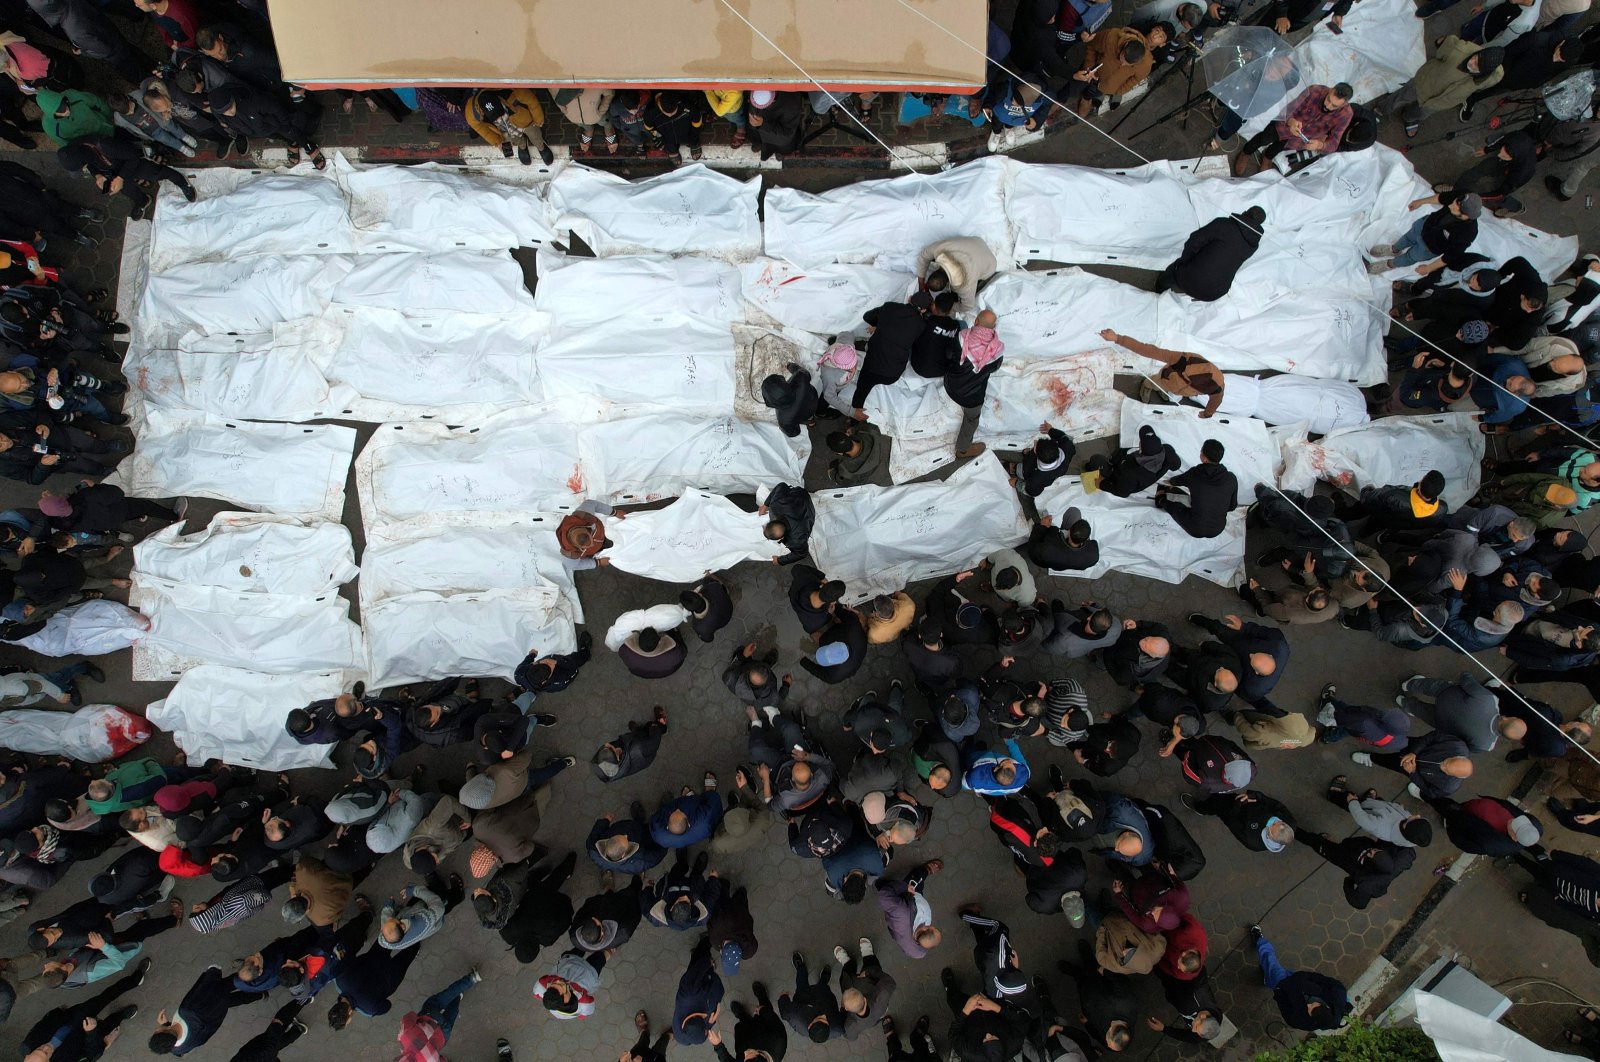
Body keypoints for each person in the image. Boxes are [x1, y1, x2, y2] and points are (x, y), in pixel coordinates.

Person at [148, 965, 269, 1054]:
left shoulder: (179, 1049)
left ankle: (259, 995)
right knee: (234, 981)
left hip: (216, 1014)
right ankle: (261, 975)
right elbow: (201, 989)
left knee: (233, 1000)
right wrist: (213, 971)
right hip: (212, 996)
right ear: (162, 1031)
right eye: (156, 1031)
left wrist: (166, 1024)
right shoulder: (187, 1011)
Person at [1249, 925, 1351, 1031]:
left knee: (1270, 961)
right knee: (1271, 970)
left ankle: (1259, 940)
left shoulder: (1301, 1021)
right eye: (1313, 1005)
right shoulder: (1338, 997)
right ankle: (1268, 978)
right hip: (1300, 980)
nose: (1308, 1005)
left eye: (1309, 1009)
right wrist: (1305, 977)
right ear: (1327, 1007)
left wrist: (1279, 991)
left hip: (1284, 985)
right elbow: (1329, 982)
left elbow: (1285, 1009)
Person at [1101, 330, 1225, 416]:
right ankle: (1146, 385)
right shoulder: (1182, 360)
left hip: (1178, 388)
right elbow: (1149, 350)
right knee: (1155, 382)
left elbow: (1216, 400)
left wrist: (1207, 413)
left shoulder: (1216, 387)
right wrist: (1118, 338)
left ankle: (1166, 391)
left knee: (1170, 390)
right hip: (1167, 378)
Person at [1237, 83, 1354, 172]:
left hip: (1300, 138)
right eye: (1328, 99)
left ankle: (1267, 157)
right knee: (1263, 139)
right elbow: (1289, 108)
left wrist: (1319, 145)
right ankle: (1246, 152)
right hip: (1284, 126)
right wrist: (1291, 121)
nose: (1327, 106)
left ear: (1344, 104)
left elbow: (1334, 142)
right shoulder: (1314, 91)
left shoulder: (1346, 115)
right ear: (1331, 89)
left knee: (1278, 147)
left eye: (1334, 106)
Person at [1157, 207, 1267, 302]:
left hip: (1192, 280)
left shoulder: (1223, 225)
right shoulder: (1252, 245)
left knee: (1174, 269)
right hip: (1217, 292)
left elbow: (1194, 241)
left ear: (1245, 212)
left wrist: (1184, 262)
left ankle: (1158, 287)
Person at [1397, 672, 1526, 751]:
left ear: (1507, 718)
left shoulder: (1490, 700)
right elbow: (1465, 745)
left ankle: (1409, 684)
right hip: (1443, 723)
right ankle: (1404, 702)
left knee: (1428, 686)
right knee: (1422, 711)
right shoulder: (1486, 745)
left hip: (1447, 694)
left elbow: (1466, 680)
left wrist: (1467, 675)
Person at [1349, 730, 1474, 799]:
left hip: (1413, 769)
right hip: (1416, 746)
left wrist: (1412, 773)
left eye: (1446, 769)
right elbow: (1434, 736)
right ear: (1457, 756)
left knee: (1390, 762)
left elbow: (1429, 791)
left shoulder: (1448, 786)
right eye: (1447, 761)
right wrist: (1414, 752)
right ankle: (1371, 735)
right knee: (1393, 741)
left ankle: (1371, 758)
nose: (1442, 765)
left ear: (1454, 776)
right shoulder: (1457, 745)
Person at [852, 301, 926, 415]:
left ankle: (853, 419)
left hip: (872, 368)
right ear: (924, 310)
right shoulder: (921, 324)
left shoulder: (890, 306)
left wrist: (877, 325)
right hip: (892, 375)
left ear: (910, 299)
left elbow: (867, 316)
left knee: (861, 392)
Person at [1155, 439, 1238, 539]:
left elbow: (1175, 481)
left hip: (1195, 528)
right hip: (1218, 528)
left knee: (1175, 507)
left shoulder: (1195, 474)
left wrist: (1166, 482)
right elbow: (1232, 506)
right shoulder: (1231, 478)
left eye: (1201, 450)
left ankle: (1160, 500)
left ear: (1204, 458)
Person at [395, 969, 482, 1058]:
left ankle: (457, 998)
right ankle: (472, 979)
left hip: (443, 1035)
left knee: (452, 1012)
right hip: (430, 1016)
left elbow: (442, 1059)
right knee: (445, 996)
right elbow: (409, 1017)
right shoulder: (404, 1039)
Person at [1184, 789, 1296, 853]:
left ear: (1271, 836)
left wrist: (1237, 806)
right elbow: (1277, 806)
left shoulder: (1253, 842)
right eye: (1281, 822)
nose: (1275, 820)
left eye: (1273, 825)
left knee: (1216, 805)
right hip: (1247, 801)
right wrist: (1256, 796)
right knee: (1226, 796)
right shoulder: (1291, 823)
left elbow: (1232, 822)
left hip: (1233, 810)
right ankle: (1213, 794)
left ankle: (1199, 808)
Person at [1084, 425, 1180, 497]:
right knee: (1119, 454)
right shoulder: (1167, 450)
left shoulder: (1131, 475)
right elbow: (1176, 466)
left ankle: (1093, 470)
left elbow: (1122, 492)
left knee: (1095, 460)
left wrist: (1101, 484)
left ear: (1141, 450)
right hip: (1128, 473)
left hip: (1119, 479)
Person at [465, 88, 553, 165]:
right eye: (494, 116)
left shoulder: (515, 92)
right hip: (504, 129)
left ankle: (541, 146)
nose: (498, 117)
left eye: (499, 113)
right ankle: (522, 145)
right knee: (514, 140)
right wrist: (497, 142)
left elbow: (532, 102)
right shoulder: (471, 113)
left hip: (524, 121)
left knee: (535, 134)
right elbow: (481, 129)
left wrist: (538, 120)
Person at [708, 982, 788, 1062]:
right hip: (763, 1028)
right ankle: (762, 998)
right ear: (761, 1055)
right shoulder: (779, 1044)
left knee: (743, 1024)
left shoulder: (744, 1053)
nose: (744, 1053)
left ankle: (742, 1015)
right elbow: (776, 1023)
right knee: (765, 1008)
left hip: (744, 1039)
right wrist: (763, 1011)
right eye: (749, 1054)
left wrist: (718, 1045)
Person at [779, 951, 843, 1044]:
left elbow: (785, 1012)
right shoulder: (837, 1029)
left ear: (809, 1026)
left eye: (821, 1018)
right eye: (826, 1020)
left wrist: (784, 996)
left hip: (803, 999)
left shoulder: (796, 1017)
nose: (824, 1015)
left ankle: (801, 968)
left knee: (801, 985)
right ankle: (823, 981)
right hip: (824, 998)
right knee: (822, 988)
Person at [916, 237, 999, 307]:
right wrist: (921, 282)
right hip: (978, 242)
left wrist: (942, 309)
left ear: (946, 286)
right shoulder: (941, 248)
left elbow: (968, 306)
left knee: (972, 289)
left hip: (990, 264)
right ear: (935, 271)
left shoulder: (965, 284)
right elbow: (923, 256)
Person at [592, 707, 669, 782]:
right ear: (618, 757)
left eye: (605, 749)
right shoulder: (640, 749)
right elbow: (655, 739)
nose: (607, 743)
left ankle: (638, 730)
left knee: (637, 734)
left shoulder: (611, 770)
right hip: (645, 748)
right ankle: (662, 724)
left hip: (634, 742)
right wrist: (653, 726)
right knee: (653, 727)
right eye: (610, 748)